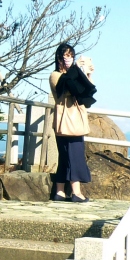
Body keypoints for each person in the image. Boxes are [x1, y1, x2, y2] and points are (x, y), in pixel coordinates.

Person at [49, 42, 95, 202]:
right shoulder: (55, 75)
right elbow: (67, 87)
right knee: (74, 156)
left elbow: (86, 92)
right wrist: (75, 68)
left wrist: (87, 74)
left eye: (71, 56)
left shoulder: (73, 73)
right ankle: (76, 192)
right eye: (66, 56)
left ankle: (59, 192)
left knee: (65, 158)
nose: (69, 59)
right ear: (59, 58)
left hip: (73, 122)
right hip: (66, 121)